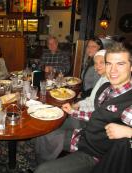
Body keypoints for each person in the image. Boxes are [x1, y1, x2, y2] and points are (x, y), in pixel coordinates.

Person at [35, 43, 132, 173]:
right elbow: (98, 115)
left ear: (131, 67)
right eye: (109, 64)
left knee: (42, 171)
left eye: (120, 64)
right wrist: (73, 112)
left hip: (96, 155)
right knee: (44, 133)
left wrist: (129, 132)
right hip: (84, 137)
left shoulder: (128, 103)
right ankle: (42, 161)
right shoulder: (106, 88)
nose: (113, 70)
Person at [35, 49, 108, 164]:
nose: (97, 66)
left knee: (48, 132)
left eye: (102, 62)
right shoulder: (103, 78)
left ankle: (44, 161)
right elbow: (91, 100)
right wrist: (77, 104)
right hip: (83, 115)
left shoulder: (109, 83)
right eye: (96, 63)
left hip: (87, 123)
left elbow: (97, 112)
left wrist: (74, 110)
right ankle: (39, 155)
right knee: (46, 124)